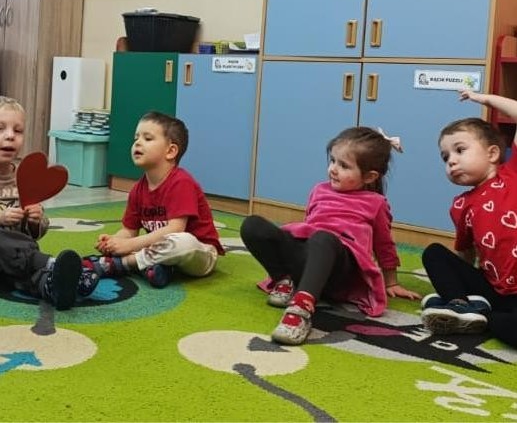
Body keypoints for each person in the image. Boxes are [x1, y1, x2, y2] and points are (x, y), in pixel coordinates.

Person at [240, 126, 421, 346]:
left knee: (323, 238)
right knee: (252, 225)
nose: (333, 169)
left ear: (369, 176)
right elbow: (307, 225)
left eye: (344, 166)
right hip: (312, 258)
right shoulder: (319, 189)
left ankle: (301, 310)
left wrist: (391, 282)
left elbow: (384, 243)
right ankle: (285, 281)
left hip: (341, 269)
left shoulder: (376, 203)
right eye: (333, 160)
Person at [83, 112, 223, 288]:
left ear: (171, 151)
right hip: (158, 250)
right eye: (136, 138)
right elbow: (129, 230)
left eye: (147, 138)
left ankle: (124, 264)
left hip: (199, 253)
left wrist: (128, 245)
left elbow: (176, 229)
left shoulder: (181, 182)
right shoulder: (137, 190)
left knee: (182, 242)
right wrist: (113, 242)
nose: (137, 143)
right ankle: (154, 267)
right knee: (146, 246)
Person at [421, 91, 517, 348]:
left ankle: (484, 317)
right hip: (493, 290)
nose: (451, 161)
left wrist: (484, 99)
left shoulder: (512, 174)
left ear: (493, 153)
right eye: (445, 158)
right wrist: (456, 287)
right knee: (434, 253)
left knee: (503, 325)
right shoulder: (461, 205)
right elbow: (466, 254)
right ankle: (459, 306)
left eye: (460, 150)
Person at [0, 96, 98, 310]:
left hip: (16, 261)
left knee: (23, 274)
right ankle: (50, 263)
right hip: (23, 256)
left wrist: (36, 220)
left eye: (18, 131)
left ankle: (52, 286)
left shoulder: (24, 179)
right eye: (1, 128)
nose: (9, 136)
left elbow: (36, 233)